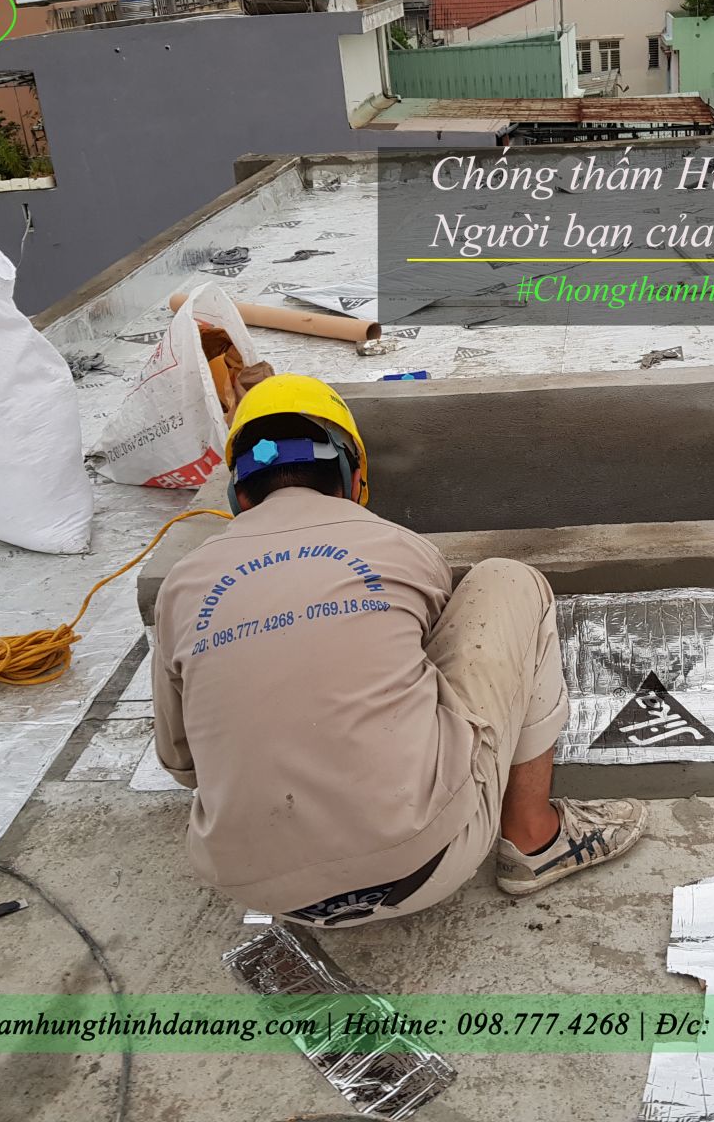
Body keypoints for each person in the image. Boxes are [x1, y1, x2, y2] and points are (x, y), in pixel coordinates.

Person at [151, 374, 645, 927]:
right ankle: (536, 839)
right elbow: (444, 659)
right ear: (354, 478)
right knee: (510, 580)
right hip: (425, 864)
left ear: (238, 494)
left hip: (263, 890)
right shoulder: (398, 547)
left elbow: (180, 761)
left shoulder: (182, 585)